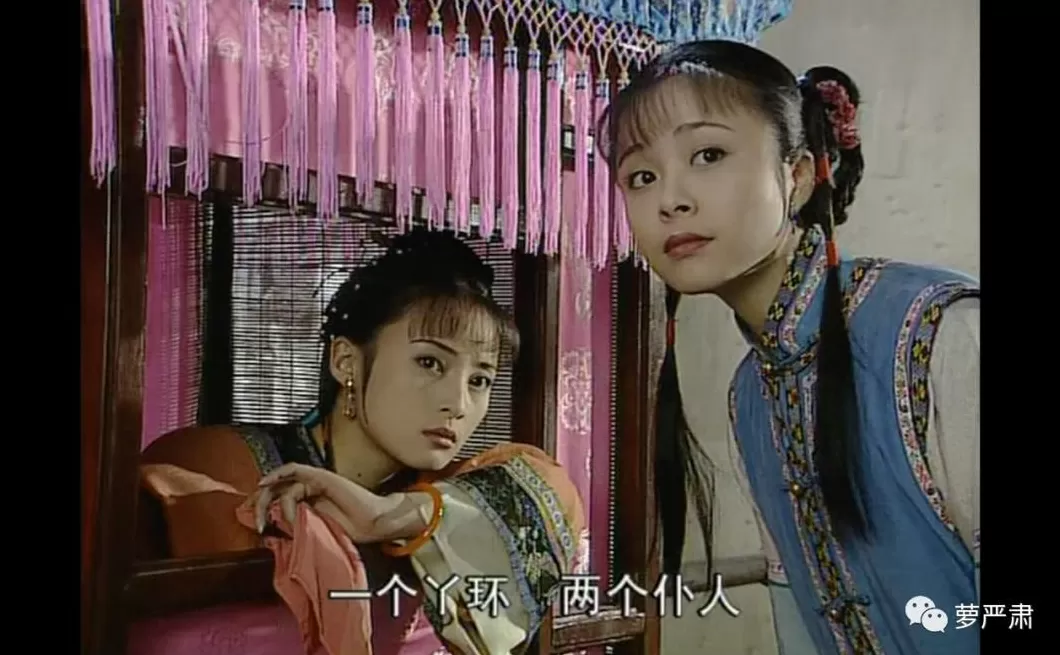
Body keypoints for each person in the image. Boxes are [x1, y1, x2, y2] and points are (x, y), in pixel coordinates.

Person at [600, 40, 979, 654]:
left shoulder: (942, 334)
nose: (670, 200)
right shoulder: (751, 395)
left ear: (797, 176)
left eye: (708, 154)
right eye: (641, 176)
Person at [140, 229, 584, 655]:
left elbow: (553, 494)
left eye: (480, 380)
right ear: (345, 360)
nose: (458, 403)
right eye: (429, 362)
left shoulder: (440, 492)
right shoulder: (221, 461)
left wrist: (385, 517)